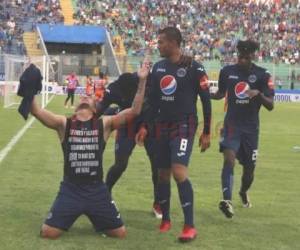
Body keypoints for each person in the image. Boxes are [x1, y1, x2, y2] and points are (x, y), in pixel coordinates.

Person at [28, 60, 150, 239]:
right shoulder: (64, 124)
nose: (84, 97)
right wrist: (30, 90)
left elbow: (134, 111)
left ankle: (98, 217)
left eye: (88, 97)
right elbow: (37, 111)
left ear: (95, 108)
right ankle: (87, 215)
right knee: (48, 233)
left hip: (97, 190)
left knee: (119, 233)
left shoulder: (105, 124)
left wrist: (142, 81)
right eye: (82, 97)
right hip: (71, 189)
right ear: (76, 108)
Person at [137, 27, 212, 242]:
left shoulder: (195, 68)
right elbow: (151, 101)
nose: (158, 45)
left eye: (161, 42)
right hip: (161, 126)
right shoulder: (159, 68)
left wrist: (207, 131)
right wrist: (144, 126)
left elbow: (206, 101)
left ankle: (189, 226)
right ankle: (166, 219)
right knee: (162, 174)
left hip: (184, 125)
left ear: (173, 43)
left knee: (179, 171)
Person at [211, 40, 274, 218]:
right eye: (240, 56)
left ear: (253, 56)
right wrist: (204, 93)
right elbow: (220, 94)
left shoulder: (263, 75)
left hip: (251, 129)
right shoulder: (227, 72)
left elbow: (270, 105)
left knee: (249, 170)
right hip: (231, 125)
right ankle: (227, 200)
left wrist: (259, 94)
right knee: (228, 159)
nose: (242, 60)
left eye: (246, 57)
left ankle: (243, 191)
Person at [96, 72, 162, 219]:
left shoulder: (150, 83)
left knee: (156, 165)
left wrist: (145, 126)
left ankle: (158, 202)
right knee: (120, 164)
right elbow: (101, 107)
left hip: (150, 123)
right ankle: (105, 194)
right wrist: (88, 120)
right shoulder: (118, 86)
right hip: (127, 124)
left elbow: (157, 107)